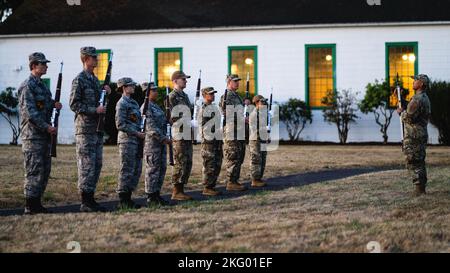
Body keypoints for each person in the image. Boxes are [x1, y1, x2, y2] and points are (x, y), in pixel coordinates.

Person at [19, 52, 63, 214]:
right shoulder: (27, 86)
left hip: (44, 136)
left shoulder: (41, 85)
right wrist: (46, 127)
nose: (46, 66)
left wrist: (54, 104)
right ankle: (30, 205)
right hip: (33, 136)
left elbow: (43, 105)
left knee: (44, 170)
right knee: (34, 170)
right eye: (42, 64)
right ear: (33, 66)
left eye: (45, 63)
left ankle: (37, 203)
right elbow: (30, 113)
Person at [69, 46, 111, 212]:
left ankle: (91, 198)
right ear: (85, 59)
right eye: (93, 58)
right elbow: (74, 104)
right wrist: (95, 110)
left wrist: (105, 92)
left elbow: (99, 102)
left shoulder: (94, 80)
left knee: (97, 164)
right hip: (85, 129)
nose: (97, 60)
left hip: (96, 129)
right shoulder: (79, 80)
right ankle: (85, 201)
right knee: (86, 164)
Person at [397, 74, 431, 196]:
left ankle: (419, 189)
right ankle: (421, 188)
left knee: (414, 161)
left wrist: (401, 113)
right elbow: (413, 109)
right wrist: (403, 102)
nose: (413, 82)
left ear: (421, 84)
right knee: (419, 160)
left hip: (414, 135)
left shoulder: (418, 99)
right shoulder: (422, 98)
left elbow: (409, 117)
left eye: (416, 80)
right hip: (419, 133)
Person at [115, 77, 143, 209]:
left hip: (136, 140)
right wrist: (136, 133)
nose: (133, 87)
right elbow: (120, 124)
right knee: (126, 168)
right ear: (124, 87)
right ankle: (123, 199)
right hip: (127, 140)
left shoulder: (134, 103)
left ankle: (129, 197)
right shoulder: (122, 103)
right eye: (131, 85)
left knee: (136, 168)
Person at [143, 82, 171, 206]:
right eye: (153, 90)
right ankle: (151, 196)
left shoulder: (156, 106)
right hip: (152, 144)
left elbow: (162, 122)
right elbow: (150, 127)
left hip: (161, 143)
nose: (156, 92)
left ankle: (157, 194)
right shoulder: (146, 107)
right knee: (152, 169)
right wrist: (163, 138)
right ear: (147, 92)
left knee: (161, 168)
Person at [168, 71, 194, 201]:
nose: (185, 81)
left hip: (187, 132)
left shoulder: (185, 96)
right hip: (179, 133)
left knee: (187, 161)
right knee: (180, 161)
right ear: (175, 80)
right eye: (183, 79)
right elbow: (172, 116)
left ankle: (181, 189)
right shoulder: (172, 96)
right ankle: (176, 190)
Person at [220, 74, 247, 191]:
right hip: (232, 131)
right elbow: (228, 113)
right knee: (233, 156)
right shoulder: (226, 96)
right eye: (235, 81)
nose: (238, 83)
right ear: (229, 82)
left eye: (238, 81)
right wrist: (242, 118)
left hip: (239, 131)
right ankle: (231, 182)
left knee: (240, 156)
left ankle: (235, 180)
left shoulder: (237, 96)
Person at [199, 87, 223, 196]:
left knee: (217, 163)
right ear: (204, 95)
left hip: (217, 140)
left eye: (213, 93)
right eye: (210, 94)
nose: (213, 95)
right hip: (209, 142)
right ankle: (207, 187)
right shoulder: (203, 109)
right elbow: (203, 126)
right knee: (209, 164)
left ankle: (212, 186)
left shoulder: (214, 107)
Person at [248, 95, 269, 188]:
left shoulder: (262, 113)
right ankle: (255, 180)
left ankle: (259, 178)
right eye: (262, 102)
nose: (264, 104)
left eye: (264, 102)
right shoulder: (254, 114)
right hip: (256, 139)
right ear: (256, 103)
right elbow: (254, 129)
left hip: (262, 139)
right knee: (256, 160)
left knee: (263, 158)